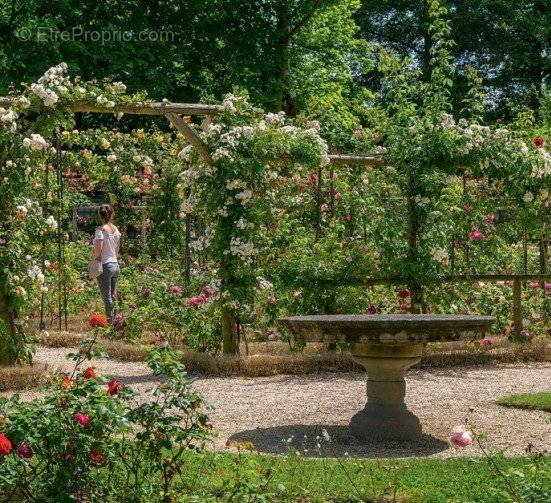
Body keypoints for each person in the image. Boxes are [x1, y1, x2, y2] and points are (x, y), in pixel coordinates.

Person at [92, 204, 121, 323]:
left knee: (106, 297)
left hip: (104, 266)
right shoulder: (116, 230)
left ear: (100, 215)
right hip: (115, 265)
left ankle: (110, 324)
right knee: (113, 296)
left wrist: (94, 260)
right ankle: (117, 321)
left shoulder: (100, 230)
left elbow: (98, 249)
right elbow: (117, 249)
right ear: (112, 214)